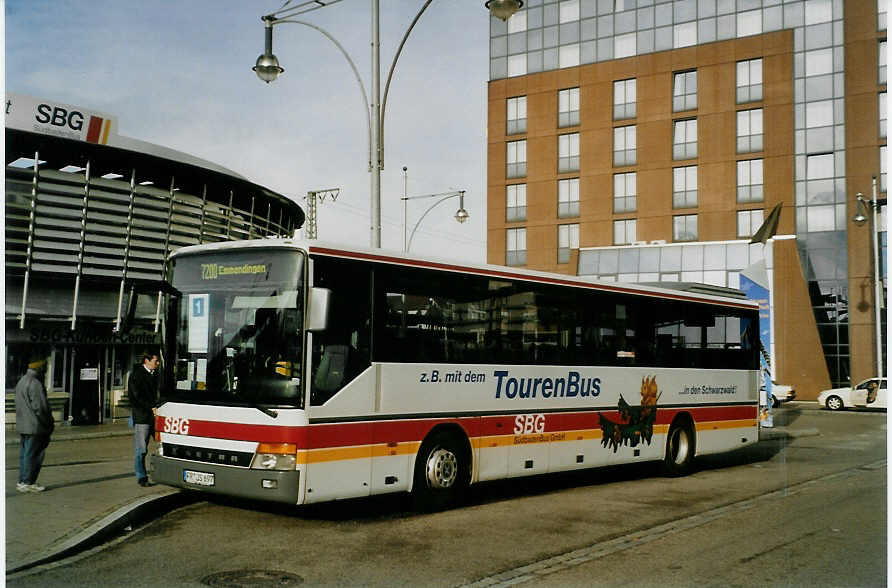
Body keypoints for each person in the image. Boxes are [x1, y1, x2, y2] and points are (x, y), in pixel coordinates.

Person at [15, 358, 54, 493]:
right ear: (39, 368)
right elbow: (41, 407)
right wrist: (49, 423)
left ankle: (22, 481)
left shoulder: (21, 381)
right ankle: (28, 481)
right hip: (35, 426)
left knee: (25, 454)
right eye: (44, 368)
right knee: (34, 455)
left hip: (23, 424)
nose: (45, 370)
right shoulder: (35, 383)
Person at [129, 350, 160, 487]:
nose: (158, 364)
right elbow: (136, 397)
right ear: (146, 361)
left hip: (155, 416)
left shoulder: (156, 374)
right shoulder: (137, 375)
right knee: (141, 449)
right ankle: (141, 476)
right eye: (155, 361)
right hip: (143, 417)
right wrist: (151, 407)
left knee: (162, 445)